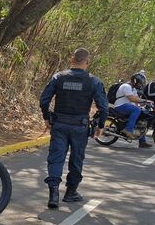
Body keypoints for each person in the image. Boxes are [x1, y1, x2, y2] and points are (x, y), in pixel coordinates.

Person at [39, 48, 109, 209]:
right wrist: (100, 125)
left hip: (59, 124)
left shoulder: (58, 77)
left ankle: (54, 194)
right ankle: (71, 192)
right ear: (87, 61)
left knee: (56, 158)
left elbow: (44, 100)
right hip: (80, 127)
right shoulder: (94, 81)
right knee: (77, 159)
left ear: (72, 59)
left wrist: (46, 117)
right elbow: (104, 107)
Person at [112, 73, 153, 148]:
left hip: (128, 106)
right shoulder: (126, 86)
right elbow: (132, 99)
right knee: (136, 110)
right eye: (139, 83)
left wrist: (146, 103)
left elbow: (137, 100)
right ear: (135, 81)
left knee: (142, 115)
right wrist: (144, 101)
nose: (140, 85)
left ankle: (142, 142)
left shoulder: (133, 89)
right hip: (120, 106)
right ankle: (128, 129)